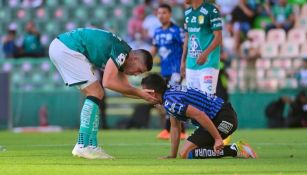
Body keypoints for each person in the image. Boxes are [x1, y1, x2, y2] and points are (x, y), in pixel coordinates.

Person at [49, 28, 157, 159]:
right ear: (134, 58)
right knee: (96, 92)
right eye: (138, 70)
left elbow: (124, 89)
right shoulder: (122, 52)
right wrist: (140, 93)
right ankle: (82, 145)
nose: (136, 74)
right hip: (68, 49)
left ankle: (92, 146)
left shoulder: (123, 55)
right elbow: (108, 82)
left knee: (96, 94)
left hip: (64, 46)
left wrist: (144, 96)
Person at [141, 73, 257, 159]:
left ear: (153, 93)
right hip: (223, 115)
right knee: (188, 152)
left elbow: (199, 114)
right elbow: (175, 127)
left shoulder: (170, 101)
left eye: (144, 92)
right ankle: (233, 148)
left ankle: (236, 149)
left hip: (223, 119)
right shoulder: (170, 94)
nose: (142, 96)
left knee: (186, 153)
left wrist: (217, 138)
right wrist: (172, 155)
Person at [151, 3, 187, 140]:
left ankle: (176, 130)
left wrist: (184, 65)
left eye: (164, 13)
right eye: (159, 13)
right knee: (166, 99)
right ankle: (170, 129)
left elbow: (185, 47)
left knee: (173, 99)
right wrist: (146, 61)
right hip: (164, 71)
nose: (161, 15)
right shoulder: (157, 32)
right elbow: (154, 49)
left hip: (176, 70)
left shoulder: (178, 31)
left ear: (170, 14)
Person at [181, 0, 222, 95]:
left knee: (207, 101)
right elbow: (187, 37)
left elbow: (218, 37)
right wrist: (183, 61)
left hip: (208, 64)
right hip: (191, 65)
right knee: (193, 102)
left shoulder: (212, 10)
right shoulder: (187, 13)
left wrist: (205, 54)